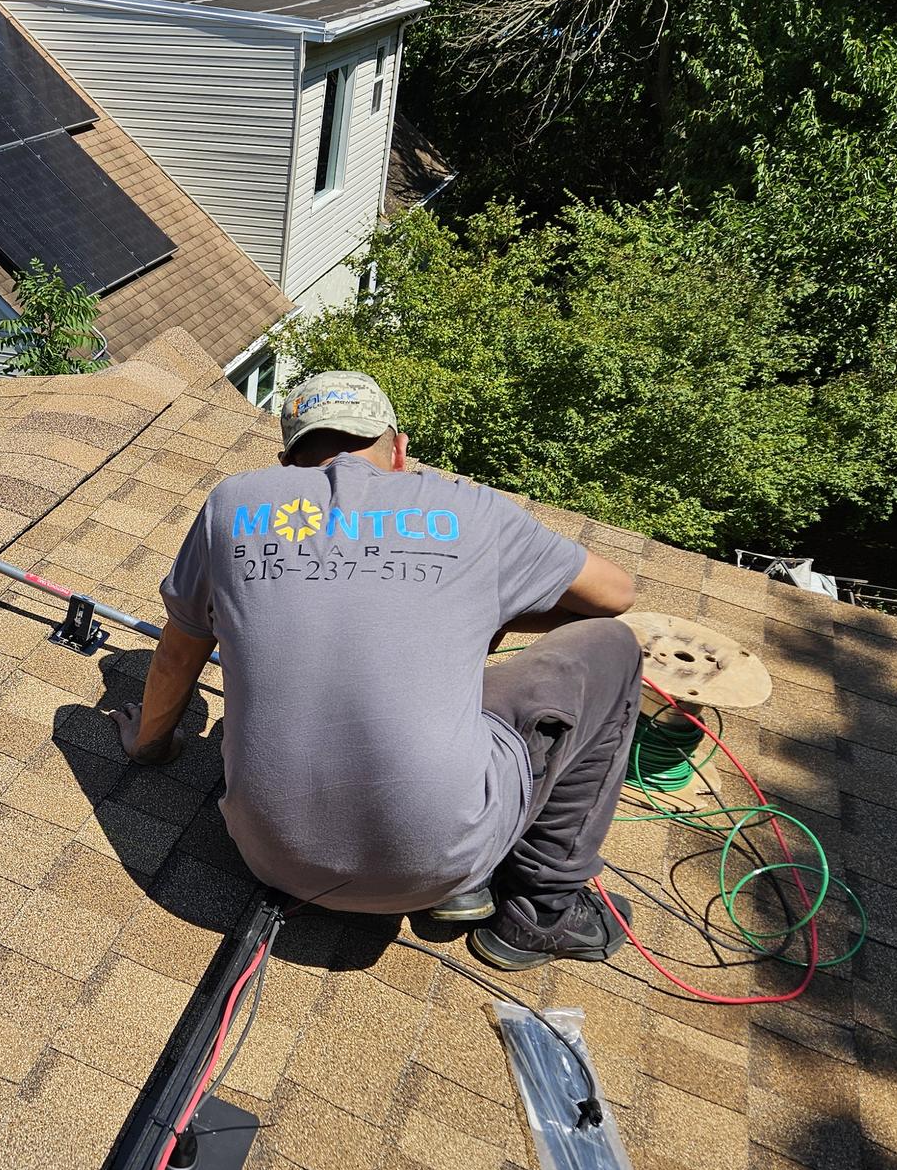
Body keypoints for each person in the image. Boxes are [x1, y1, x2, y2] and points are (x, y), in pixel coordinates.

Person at [112, 371, 643, 969]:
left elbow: (180, 652)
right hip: (434, 862)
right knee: (614, 648)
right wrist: (479, 604)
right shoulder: (469, 508)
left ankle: (462, 861)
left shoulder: (234, 504)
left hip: (268, 855)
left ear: (288, 459)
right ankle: (539, 914)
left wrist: (148, 746)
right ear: (400, 448)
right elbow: (614, 595)